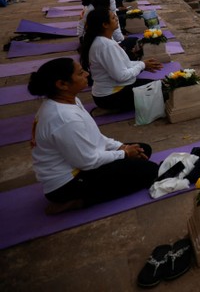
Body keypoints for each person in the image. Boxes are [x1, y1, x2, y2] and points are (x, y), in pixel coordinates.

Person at [29, 58, 158, 214]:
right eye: (80, 73)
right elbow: (87, 161)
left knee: (143, 150)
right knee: (150, 171)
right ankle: (78, 201)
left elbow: (95, 136)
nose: (87, 74)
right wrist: (124, 153)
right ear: (62, 84)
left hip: (80, 161)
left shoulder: (69, 101)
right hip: (68, 184)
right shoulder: (64, 119)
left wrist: (120, 147)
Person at [80, 9, 162, 112]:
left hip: (110, 92)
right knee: (162, 92)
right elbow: (121, 76)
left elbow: (122, 64)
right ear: (105, 24)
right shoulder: (106, 45)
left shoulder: (103, 40)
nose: (117, 19)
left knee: (158, 85)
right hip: (111, 97)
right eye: (113, 18)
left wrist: (143, 64)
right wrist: (142, 65)